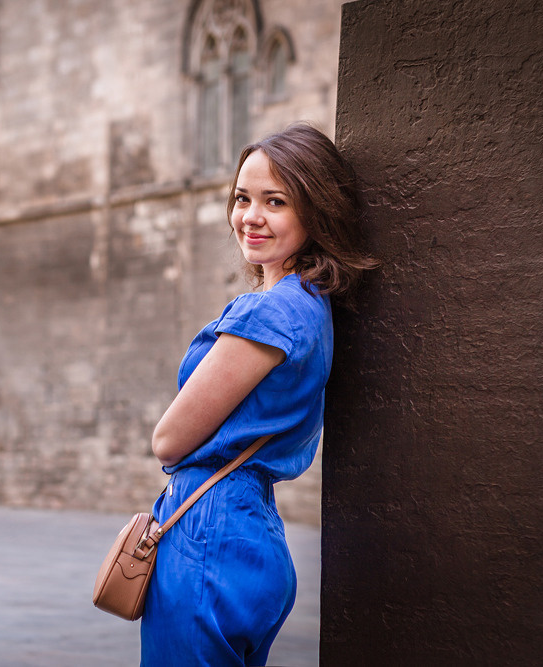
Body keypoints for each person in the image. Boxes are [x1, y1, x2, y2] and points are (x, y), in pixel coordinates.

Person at [140, 123, 378, 666]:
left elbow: (169, 441)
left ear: (314, 213)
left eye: (276, 202)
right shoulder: (310, 304)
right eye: (243, 198)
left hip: (210, 533)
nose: (251, 216)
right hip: (251, 533)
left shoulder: (267, 313)